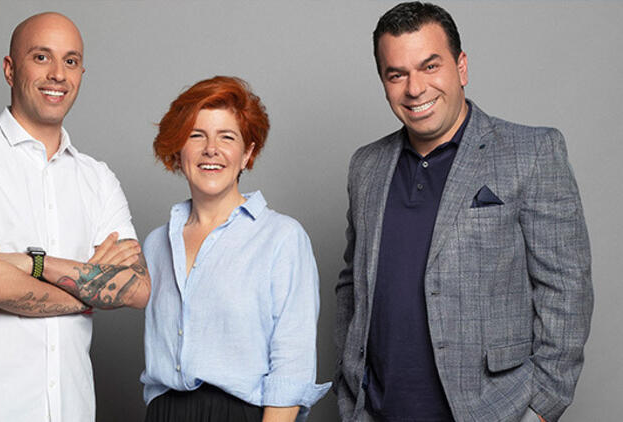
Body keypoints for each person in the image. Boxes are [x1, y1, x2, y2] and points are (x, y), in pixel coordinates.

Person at [334, 2, 593, 422]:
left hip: (492, 411)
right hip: (377, 412)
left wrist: (542, 407)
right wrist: (350, 396)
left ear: (461, 67)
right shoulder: (366, 165)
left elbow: (567, 288)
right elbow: (353, 283)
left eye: (430, 66)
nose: (415, 88)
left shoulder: (531, 153)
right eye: (397, 74)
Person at [0, 12, 150, 422]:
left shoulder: (98, 179)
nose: (58, 74)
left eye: (70, 61)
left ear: (81, 73)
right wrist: (85, 294)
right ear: (10, 69)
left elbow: (136, 289)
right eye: (41, 57)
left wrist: (32, 264)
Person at [140, 76, 330, 422]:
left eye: (227, 137)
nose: (211, 149)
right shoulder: (156, 244)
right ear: (178, 149)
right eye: (196, 135)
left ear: (247, 153)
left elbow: (293, 364)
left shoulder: (282, 237)